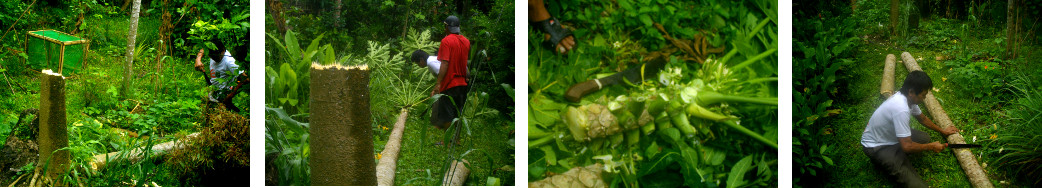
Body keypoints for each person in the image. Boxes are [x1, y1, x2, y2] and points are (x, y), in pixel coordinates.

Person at [860, 70, 959, 188]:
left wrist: (943, 131)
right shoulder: (901, 108)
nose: (924, 98)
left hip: (891, 136)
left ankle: (898, 153)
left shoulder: (907, 98)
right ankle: (886, 159)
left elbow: (922, 119)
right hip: (877, 146)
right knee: (917, 185)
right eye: (923, 95)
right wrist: (931, 146)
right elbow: (907, 147)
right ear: (911, 92)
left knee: (924, 138)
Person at [431, 15, 470, 134]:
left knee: (448, 114)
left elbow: (445, 63)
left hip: (450, 83)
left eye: (445, 26)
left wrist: (438, 83)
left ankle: (448, 141)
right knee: (458, 112)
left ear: (447, 27)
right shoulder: (466, 41)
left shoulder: (446, 41)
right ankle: (456, 140)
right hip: (462, 83)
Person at [193, 39, 249, 112]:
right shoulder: (213, 51)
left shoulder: (229, 62)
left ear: (222, 50)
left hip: (223, 97)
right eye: (211, 56)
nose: (213, 58)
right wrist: (198, 59)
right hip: (214, 92)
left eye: (215, 56)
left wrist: (231, 95)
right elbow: (203, 49)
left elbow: (245, 78)